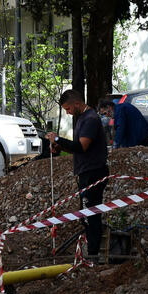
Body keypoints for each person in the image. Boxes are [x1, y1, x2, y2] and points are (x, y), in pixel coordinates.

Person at [45, 89, 109, 259]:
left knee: (90, 213)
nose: (67, 112)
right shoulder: (82, 119)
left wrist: (58, 139)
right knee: (85, 212)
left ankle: (94, 254)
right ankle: (91, 247)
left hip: (94, 172)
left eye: (68, 109)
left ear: (77, 104)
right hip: (85, 172)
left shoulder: (90, 119)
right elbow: (76, 148)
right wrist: (59, 146)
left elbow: (82, 147)